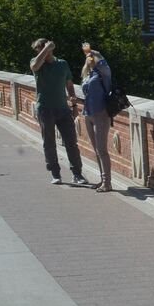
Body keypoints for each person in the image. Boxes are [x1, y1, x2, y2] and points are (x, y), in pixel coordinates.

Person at [29, 38, 87, 186]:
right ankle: (55, 174)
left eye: (42, 48)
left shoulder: (62, 64)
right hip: (45, 109)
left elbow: (69, 84)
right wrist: (46, 49)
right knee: (49, 143)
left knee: (71, 143)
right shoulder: (37, 63)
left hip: (62, 109)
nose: (40, 51)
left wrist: (73, 106)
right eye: (38, 49)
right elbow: (34, 67)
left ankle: (77, 174)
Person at [79, 48, 115, 193]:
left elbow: (104, 63)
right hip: (88, 114)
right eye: (88, 57)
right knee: (96, 150)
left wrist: (94, 52)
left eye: (92, 58)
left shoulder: (103, 73)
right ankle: (102, 179)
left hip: (101, 115)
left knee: (102, 150)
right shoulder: (87, 74)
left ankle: (107, 183)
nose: (90, 59)